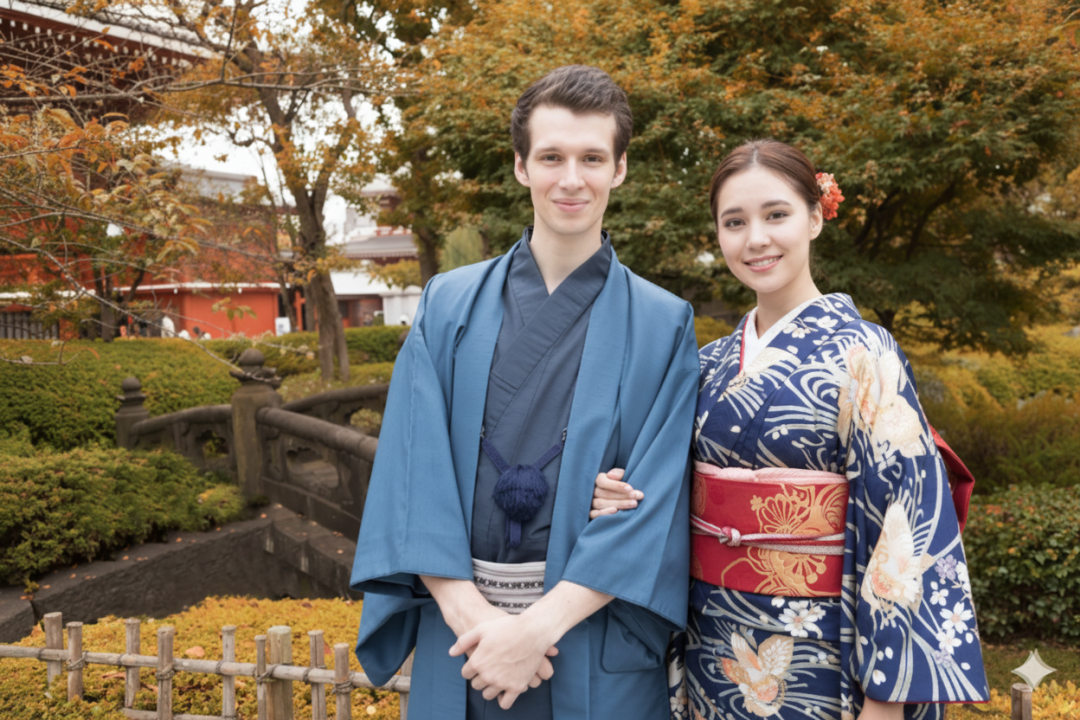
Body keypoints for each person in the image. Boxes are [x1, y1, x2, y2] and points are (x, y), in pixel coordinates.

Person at [591, 139, 989, 720]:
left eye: (775, 215)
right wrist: (615, 495)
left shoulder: (865, 354)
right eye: (735, 222)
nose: (756, 238)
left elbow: (905, 529)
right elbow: (663, 488)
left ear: (814, 217)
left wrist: (886, 701)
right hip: (712, 647)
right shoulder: (707, 361)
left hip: (823, 656)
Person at [350, 65, 700, 720]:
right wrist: (477, 620)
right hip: (465, 641)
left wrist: (536, 630)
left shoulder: (663, 323)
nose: (573, 179)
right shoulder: (447, 305)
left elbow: (658, 502)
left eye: (593, 157)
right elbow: (411, 475)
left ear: (619, 169)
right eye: (552, 157)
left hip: (590, 635)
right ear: (521, 166)